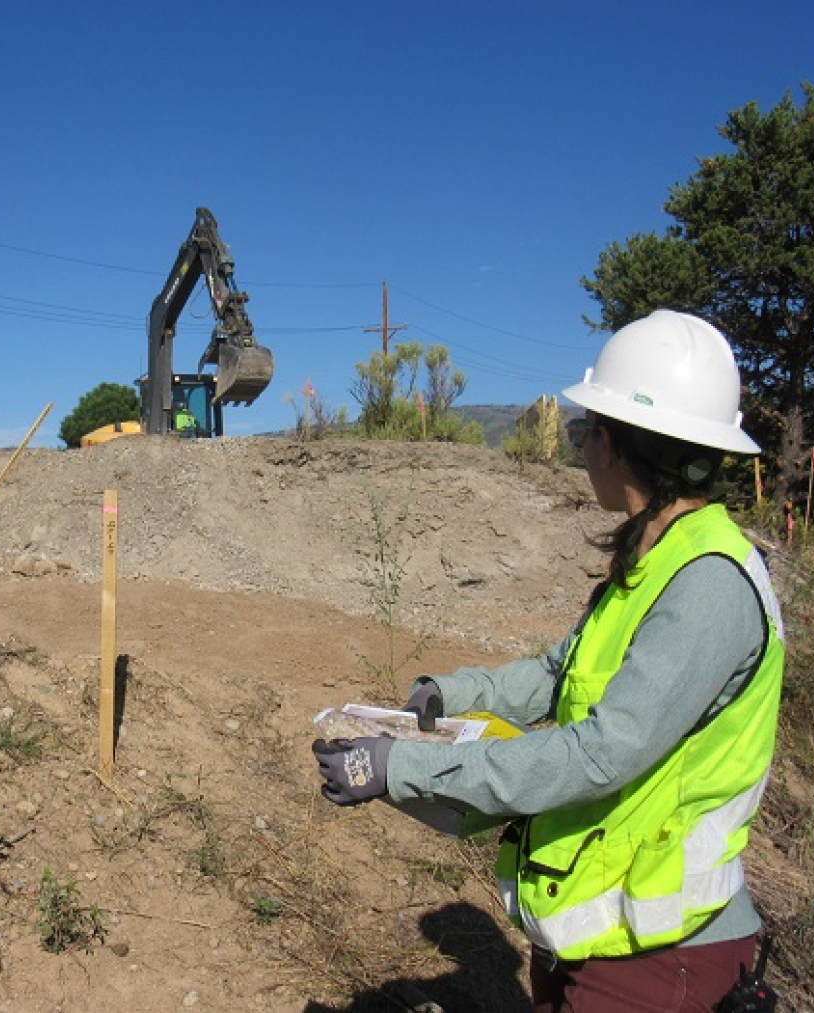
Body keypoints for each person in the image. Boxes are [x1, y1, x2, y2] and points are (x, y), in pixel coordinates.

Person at [313, 310, 783, 1013]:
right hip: (602, 931)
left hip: (664, 959)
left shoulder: (710, 584)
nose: (581, 446)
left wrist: (400, 767)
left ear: (620, 444)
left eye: (584, 429)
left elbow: (597, 755)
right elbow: (559, 672)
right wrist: (449, 693)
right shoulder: (657, 559)